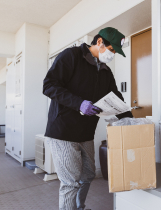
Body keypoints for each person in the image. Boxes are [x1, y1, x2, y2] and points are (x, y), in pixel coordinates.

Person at [43, 27, 133, 210]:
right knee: (70, 181)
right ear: (99, 42)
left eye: (115, 52)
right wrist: (79, 103)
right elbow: (49, 86)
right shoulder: (71, 56)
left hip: (86, 131)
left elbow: (116, 98)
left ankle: (79, 207)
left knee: (88, 174)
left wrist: (132, 121)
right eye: (112, 50)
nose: (112, 54)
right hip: (63, 130)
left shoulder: (105, 70)